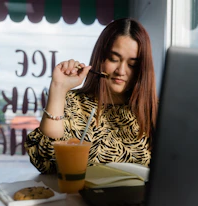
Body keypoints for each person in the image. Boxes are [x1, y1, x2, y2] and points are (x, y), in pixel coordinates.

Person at [24, 18, 158, 174]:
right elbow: (45, 160)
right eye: (114, 59)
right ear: (100, 58)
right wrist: (58, 88)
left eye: (132, 64)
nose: (121, 71)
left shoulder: (155, 111)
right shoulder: (72, 103)